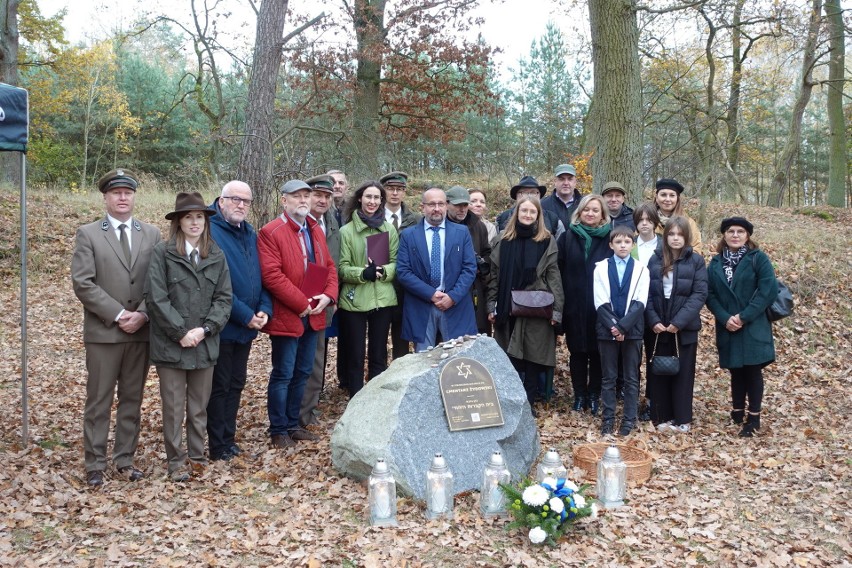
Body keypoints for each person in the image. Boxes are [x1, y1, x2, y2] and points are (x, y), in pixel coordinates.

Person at [71, 169, 160, 486]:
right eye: (116, 193)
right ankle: (95, 463)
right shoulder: (89, 234)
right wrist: (120, 313)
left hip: (141, 332)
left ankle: (125, 459)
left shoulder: (151, 234)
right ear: (106, 197)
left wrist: (144, 314)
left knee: (132, 399)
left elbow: (158, 283)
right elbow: (83, 283)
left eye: (128, 192)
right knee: (99, 400)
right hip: (105, 333)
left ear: (134, 196)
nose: (123, 198)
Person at [145, 192, 232, 481]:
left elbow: (224, 299)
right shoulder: (162, 252)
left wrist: (205, 329)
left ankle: (196, 457)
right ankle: (176, 463)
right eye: (188, 217)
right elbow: (156, 298)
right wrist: (180, 333)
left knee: (198, 408)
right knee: (173, 408)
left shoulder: (216, 255)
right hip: (171, 346)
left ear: (206, 221)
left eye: (199, 217)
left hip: (204, 345)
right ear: (178, 222)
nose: (194, 222)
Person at [258, 180, 338, 449]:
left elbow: (329, 267)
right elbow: (271, 275)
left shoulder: (314, 229)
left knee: (304, 371)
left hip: (314, 313)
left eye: (307, 195)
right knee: (284, 373)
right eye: (297, 196)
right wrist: (300, 303)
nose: (303, 200)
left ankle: (293, 423)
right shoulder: (271, 232)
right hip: (288, 315)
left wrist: (328, 296)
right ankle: (278, 429)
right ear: (284, 200)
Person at [206, 181, 272, 462]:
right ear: (221, 201)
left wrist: (264, 309)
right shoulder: (209, 232)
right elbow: (215, 286)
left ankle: (228, 438)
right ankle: (217, 443)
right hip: (223, 325)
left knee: (236, 382)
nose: (240, 205)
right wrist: (245, 315)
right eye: (235, 199)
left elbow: (261, 275)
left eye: (246, 201)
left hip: (248, 326)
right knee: (219, 386)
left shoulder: (249, 233)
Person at [487, 197, 563, 414]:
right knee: (508, 357)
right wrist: (491, 304)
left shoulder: (547, 240)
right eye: (524, 211)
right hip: (506, 306)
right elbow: (494, 274)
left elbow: (554, 276)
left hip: (536, 307)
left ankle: (529, 404)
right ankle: (509, 403)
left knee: (532, 357)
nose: (528, 215)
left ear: (538, 216)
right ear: (516, 213)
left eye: (533, 212)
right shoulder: (503, 239)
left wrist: (557, 310)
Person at [706, 217, 778, 438]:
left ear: (747, 236)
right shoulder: (716, 263)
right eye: (730, 231)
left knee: (752, 370)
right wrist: (725, 317)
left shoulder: (758, 259)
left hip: (753, 324)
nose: (735, 235)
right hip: (727, 325)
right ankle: (737, 411)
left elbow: (768, 290)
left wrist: (743, 317)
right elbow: (709, 294)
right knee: (736, 369)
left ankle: (753, 417)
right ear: (724, 235)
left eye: (740, 231)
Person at [644, 216, 707, 433]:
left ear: (687, 237)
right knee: (659, 371)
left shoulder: (696, 261)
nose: (675, 238)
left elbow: (699, 294)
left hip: (684, 325)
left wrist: (679, 322)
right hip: (658, 324)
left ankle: (682, 418)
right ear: (665, 236)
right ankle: (662, 417)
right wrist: (653, 320)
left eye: (680, 235)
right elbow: (646, 293)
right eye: (671, 234)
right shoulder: (655, 259)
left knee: (683, 372)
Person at [396, 187, 478, 351]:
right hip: (422, 304)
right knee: (423, 361)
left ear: (446, 206)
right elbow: (403, 272)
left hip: (455, 305)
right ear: (422, 207)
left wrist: (453, 296)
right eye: (431, 204)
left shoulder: (461, 233)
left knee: (457, 359)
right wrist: (431, 294)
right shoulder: (408, 235)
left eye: (441, 204)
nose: (437, 209)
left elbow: (469, 268)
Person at [337, 181, 399, 396]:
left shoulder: (389, 229)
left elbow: (397, 262)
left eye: (376, 198)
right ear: (360, 199)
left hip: (383, 299)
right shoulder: (346, 231)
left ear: (381, 201)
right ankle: (355, 396)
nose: (372, 201)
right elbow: (341, 268)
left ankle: (375, 397)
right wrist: (362, 274)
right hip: (354, 301)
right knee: (355, 353)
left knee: (379, 352)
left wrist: (385, 271)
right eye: (368, 197)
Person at [558, 194, 612, 415]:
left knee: (598, 353)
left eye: (595, 210)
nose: (590, 214)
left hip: (601, 306)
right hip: (575, 305)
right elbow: (559, 271)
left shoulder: (610, 238)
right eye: (586, 210)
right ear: (579, 212)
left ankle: (594, 395)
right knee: (577, 352)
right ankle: (579, 395)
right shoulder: (568, 238)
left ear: (602, 215)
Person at [593, 226, 649, 436]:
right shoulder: (600, 268)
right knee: (608, 377)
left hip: (632, 330)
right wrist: (614, 327)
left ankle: (628, 419)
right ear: (611, 245)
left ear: (632, 245)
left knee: (631, 377)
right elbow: (600, 301)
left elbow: (640, 302)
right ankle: (608, 419)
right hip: (606, 329)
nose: (623, 245)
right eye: (618, 242)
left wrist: (624, 326)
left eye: (627, 242)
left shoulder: (641, 269)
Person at [300, 175, 341, 425]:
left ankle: (309, 408)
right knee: (302, 360)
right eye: (318, 195)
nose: (323, 200)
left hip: (326, 300)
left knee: (317, 358)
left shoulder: (331, 222)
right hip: (301, 302)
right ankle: (298, 412)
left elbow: (333, 263)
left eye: (327, 196)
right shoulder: (300, 223)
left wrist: (332, 298)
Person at [379, 171, 422, 359]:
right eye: (390, 189)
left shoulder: (416, 219)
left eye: (399, 189)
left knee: (402, 335)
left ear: (405, 192)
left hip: (406, 286)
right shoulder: (374, 216)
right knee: (378, 336)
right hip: (380, 283)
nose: (395, 193)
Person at [446, 185, 492, 335]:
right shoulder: (439, 226)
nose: (462, 209)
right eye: (458, 205)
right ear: (447, 204)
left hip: (474, 287)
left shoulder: (478, 227)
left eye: (465, 205)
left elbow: (487, 253)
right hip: (447, 290)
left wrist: (478, 265)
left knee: (477, 333)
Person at [496, 176, 565, 238]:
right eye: (523, 192)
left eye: (533, 192)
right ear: (516, 196)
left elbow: (558, 249)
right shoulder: (502, 219)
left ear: (539, 196)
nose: (529, 196)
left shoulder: (553, 220)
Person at [653, 178, 701, 253]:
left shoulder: (688, 223)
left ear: (677, 199)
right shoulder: (647, 221)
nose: (667, 199)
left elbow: (696, 249)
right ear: (656, 197)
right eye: (663, 195)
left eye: (672, 195)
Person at [541, 163, 582, 231]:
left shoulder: (585, 204)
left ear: (575, 182)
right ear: (555, 181)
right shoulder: (543, 205)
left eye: (570, 179)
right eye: (561, 179)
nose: (566, 183)